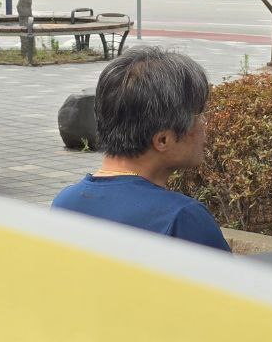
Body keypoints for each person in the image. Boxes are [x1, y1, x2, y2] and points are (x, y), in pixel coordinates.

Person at [53, 46, 230, 252]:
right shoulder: (182, 220)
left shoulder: (65, 203)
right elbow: (234, 284)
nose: (204, 125)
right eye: (199, 115)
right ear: (163, 140)